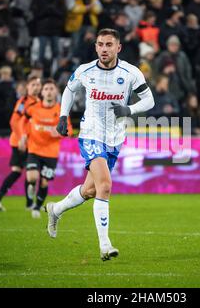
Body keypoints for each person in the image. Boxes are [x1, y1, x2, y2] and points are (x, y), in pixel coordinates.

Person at [45, 28, 154, 261]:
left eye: (109, 45)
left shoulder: (131, 72)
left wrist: (129, 109)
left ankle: (56, 209)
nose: (104, 49)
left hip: (115, 138)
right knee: (105, 186)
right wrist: (63, 116)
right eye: (100, 44)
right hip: (91, 134)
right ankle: (105, 245)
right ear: (95, 47)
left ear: (118, 47)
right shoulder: (85, 70)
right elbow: (69, 90)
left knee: (91, 190)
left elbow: (149, 100)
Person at [18, 79, 72, 219]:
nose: (48, 91)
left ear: (56, 92)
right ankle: (30, 195)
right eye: (46, 89)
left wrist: (61, 132)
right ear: (42, 92)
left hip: (51, 152)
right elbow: (23, 120)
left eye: (51, 89)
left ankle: (36, 206)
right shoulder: (33, 108)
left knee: (44, 181)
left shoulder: (61, 111)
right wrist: (23, 136)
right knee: (32, 176)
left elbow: (70, 130)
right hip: (34, 149)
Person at [0, 76, 42, 211]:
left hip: (32, 142)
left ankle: (25, 203)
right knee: (22, 171)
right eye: (33, 85)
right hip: (21, 142)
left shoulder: (39, 102)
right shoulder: (23, 102)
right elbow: (14, 121)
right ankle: (0, 199)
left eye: (37, 85)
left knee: (27, 172)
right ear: (28, 87)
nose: (36, 87)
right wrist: (21, 138)